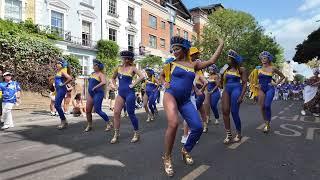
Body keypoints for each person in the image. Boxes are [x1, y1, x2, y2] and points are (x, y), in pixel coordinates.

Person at [160, 36, 224, 177]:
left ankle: (186, 150)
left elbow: (212, 61)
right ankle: (167, 157)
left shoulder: (194, 65)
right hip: (171, 95)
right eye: (173, 49)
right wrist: (164, 83)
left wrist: (221, 44)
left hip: (185, 100)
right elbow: (161, 76)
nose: (174, 51)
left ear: (184, 50)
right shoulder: (171, 63)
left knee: (198, 127)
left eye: (177, 49)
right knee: (174, 123)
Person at [110, 50, 145, 144]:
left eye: (124, 58)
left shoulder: (133, 68)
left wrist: (133, 84)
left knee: (131, 113)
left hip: (130, 93)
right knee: (116, 112)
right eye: (123, 57)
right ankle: (116, 134)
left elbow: (142, 76)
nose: (123, 59)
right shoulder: (118, 68)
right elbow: (112, 78)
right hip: (121, 93)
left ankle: (136, 133)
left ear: (128, 59)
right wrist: (114, 85)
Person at [252, 51, 285, 133]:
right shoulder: (258, 68)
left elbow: (283, 76)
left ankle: (267, 124)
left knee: (267, 106)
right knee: (262, 107)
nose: (263, 59)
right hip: (261, 89)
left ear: (269, 59)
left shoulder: (273, 68)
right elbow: (252, 78)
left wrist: (276, 83)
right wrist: (255, 85)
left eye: (265, 58)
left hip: (270, 88)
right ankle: (266, 123)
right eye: (262, 58)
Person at [221, 50, 247, 144]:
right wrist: (221, 73)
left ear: (233, 60)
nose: (227, 60)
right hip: (227, 89)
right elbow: (220, 77)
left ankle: (239, 133)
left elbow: (244, 84)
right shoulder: (225, 68)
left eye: (229, 58)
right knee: (225, 110)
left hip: (237, 89)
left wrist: (241, 96)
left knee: (234, 112)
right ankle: (228, 134)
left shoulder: (241, 69)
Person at [84, 59, 111, 132]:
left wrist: (95, 87)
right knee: (87, 110)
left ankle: (108, 123)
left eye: (95, 65)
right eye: (93, 64)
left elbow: (104, 82)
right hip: (91, 94)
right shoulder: (92, 73)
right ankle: (89, 125)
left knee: (98, 110)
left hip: (98, 93)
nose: (93, 66)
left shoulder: (101, 74)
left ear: (99, 66)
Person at [54, 58, 73, 130]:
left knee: (57, 105)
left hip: (61, 89)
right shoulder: (59, 71)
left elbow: (70, 78)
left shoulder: (62, 71)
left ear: (61, 65)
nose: (57, 64)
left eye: (58, 63)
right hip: (58, 90)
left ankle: (63, 121)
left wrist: (63, 84)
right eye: (56, 63)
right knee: (57, 105)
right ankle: (64, 121)